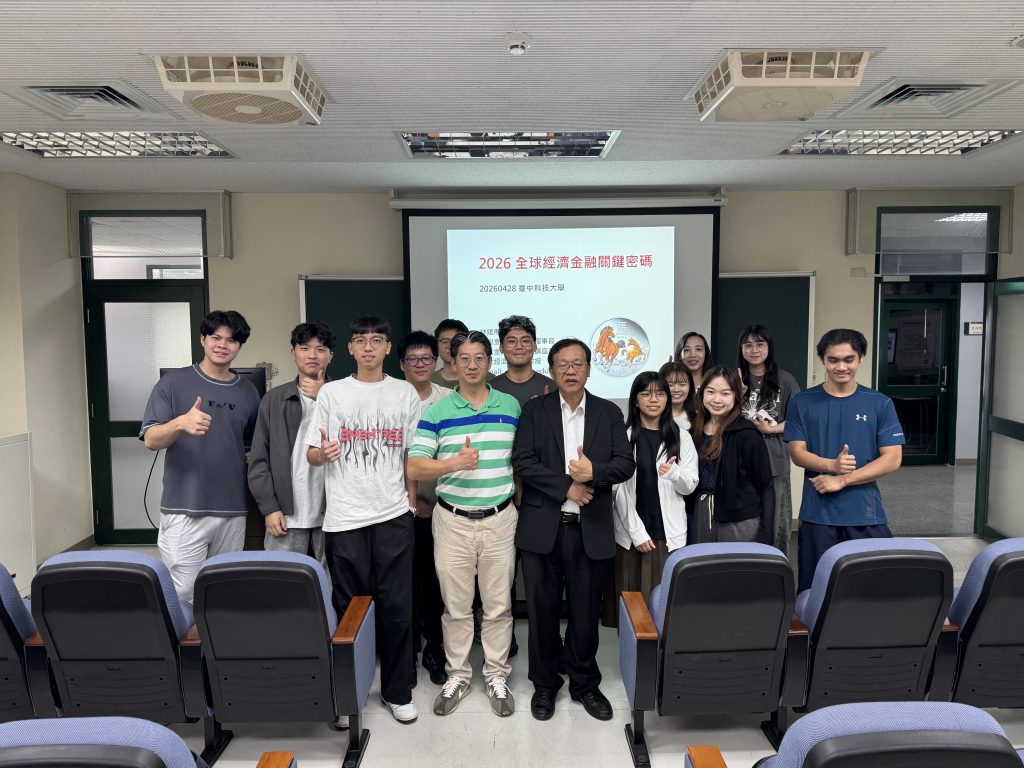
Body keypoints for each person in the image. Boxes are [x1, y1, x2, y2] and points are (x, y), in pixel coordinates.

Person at [511, 338, 635, 722]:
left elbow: (625, 464)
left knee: (584, 613)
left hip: (589, 529)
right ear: (551, 370)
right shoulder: (534, 411)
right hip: (543, 528)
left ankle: (584, 683)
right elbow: (523, 461)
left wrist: (594, 472)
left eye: (577, 363)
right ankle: (545, 684)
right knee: (542, 613)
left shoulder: (608, 413)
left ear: (588, 369)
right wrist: (567, 486)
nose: (570, 370)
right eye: (562, 364)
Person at [306, 315, 422, 724]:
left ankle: (397, 692)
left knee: (397, 608)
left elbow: (411, 456)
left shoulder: (404, 393)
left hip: (392, 515)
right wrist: (322, 455)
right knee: (348, 609)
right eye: (360, 340)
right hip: (345, 518)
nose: (368, 347)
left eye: (376, 340)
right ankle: (348, 696)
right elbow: (311, 453)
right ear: (350, 348)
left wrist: (410, 505)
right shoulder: (332, 393)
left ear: (388, 347)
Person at [408, 331, 521, 718]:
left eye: (479, 358)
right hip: (452, 520)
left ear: (490, 362)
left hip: (499, 519)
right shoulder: (438, 411)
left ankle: (496, 674)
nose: (472, 366)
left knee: (498, 606)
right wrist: (454, 463)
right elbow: (415, 466)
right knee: (455, 607)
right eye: (464, 359)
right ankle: (458, 674)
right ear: (452, 364)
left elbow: (521, 461)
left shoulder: (510, 406)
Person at [140, 310, 260, 603]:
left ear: (239, 346)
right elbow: (151, 440)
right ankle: (185, 636)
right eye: (216, 337)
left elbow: (251, 445)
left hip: (232, 509)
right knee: (184, 593)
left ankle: (215, 636)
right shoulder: (173, 383)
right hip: (185, 507)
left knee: (223, 591)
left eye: (231, 340)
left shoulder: (248, 391)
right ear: (203, 339)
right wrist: (180, 423)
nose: (222, 345)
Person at [784, 329, 905, 592]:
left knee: (873, 593)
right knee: (816, 593)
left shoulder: (879, 403)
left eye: (849, 359)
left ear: (860, 358)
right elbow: (797, 453)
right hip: (818, 516)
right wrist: (832, 466)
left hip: (866, 514)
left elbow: (893, 458)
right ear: (823, 360)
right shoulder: (802, 402)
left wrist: (843, 479)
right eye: (833, 360)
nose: (841, 367)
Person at [248, 321, 334, 565]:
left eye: (320, 349)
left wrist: (325, 396)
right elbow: (259, 461)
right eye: (305, 348)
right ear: (293, 352)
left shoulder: (344, 397)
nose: (312, 355)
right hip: (286, 514)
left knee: (335, 582)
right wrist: (269, 508)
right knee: (283, 580)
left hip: (334, 514)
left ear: (330, 355)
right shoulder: (273, 400)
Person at [612, 371, 698, 606]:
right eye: (646, 394)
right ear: (635, 399)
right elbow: (617, 490)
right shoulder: (623, 437)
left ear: (667, 399)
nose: (653, 399)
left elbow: (690, 485)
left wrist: (674, 474)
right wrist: (637, 532)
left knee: (664, 606)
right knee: (632, 609)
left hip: (666, 535)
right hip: (631, 536)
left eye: (660, 394)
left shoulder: (681, 437)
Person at [397, 330, 450, 686]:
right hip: (397, 509)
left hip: (441, 508)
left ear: (436, 362)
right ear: (401, 364)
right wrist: (411, 499)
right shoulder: (390, 397)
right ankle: (405, 650)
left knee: (435, 584)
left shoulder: (449, 399)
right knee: (401, 584)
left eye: (426, 358)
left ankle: (434, 649)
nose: (420, 364)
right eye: (413, 359)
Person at [691, 365, 774, 544]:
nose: (717, 399)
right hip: (702, 514)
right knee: (704, 561)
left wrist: (766, 533)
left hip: (739, 520)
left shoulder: (747, 434)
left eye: (725, 393)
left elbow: (766, 486)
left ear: (736, 395)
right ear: (701, 393)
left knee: (736, 562)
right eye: (711, 392)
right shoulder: (694, 431)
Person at [737, 324, 801, 554]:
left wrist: (772, 429)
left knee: (777, 523)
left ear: (769, 347)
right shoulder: (734, 379)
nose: (754, 350)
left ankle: (777, 566)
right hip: (740, 462)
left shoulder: (785, 380)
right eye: (748, 345)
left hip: (775, 461)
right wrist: (738, 393)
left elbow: (799, 422)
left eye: (759, 344)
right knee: (744, 524)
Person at [490, 315, 554, 402]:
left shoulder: (552, 388)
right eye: (511, 341)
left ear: (535, 346)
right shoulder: (489, 390)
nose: (519, 346)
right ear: (501, 347)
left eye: (525, 341)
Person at [659, 360, 698, 433]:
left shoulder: (699, 418)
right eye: (670, 385)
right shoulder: (652, 418)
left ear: (690, 387)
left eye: (682, 384)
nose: (676, 390)